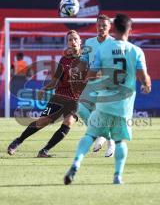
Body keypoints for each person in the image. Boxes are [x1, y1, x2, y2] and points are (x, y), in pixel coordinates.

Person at [64, 13, 151, 185]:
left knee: (89, 134)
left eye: (105, 25)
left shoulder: (104, 49)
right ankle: (118, 175)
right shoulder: (136, 51)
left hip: (104, 99)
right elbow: (144, 77)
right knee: (120, 141)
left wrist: (90, 76)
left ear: (113, 28)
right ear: (129, 29)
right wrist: (146, 85)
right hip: (123, 104)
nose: (101, 28)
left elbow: (91, 73)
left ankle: (76, 163)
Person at [8, 30, 88, 157]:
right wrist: (44, 89)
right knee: (42, 122)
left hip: (75, 100)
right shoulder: (64, 60)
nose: (73, 42)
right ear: (67, 43)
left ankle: (44, 151)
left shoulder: (86, 60)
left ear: (80, 41)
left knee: (68, 122)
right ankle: (18, 141)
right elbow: (56, 81)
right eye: (70, 40)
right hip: (59, 97)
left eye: (75, 39)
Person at [78, 14, 115, 157]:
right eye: (99, 25)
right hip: (92, 82)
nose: (101, 28)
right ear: (96, 25)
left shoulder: (115, 43)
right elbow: (84, 60)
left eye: (104, 25)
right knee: (80, 108)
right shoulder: (89, 42)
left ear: (109, 27)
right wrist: (78, 72)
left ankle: (111, 144)